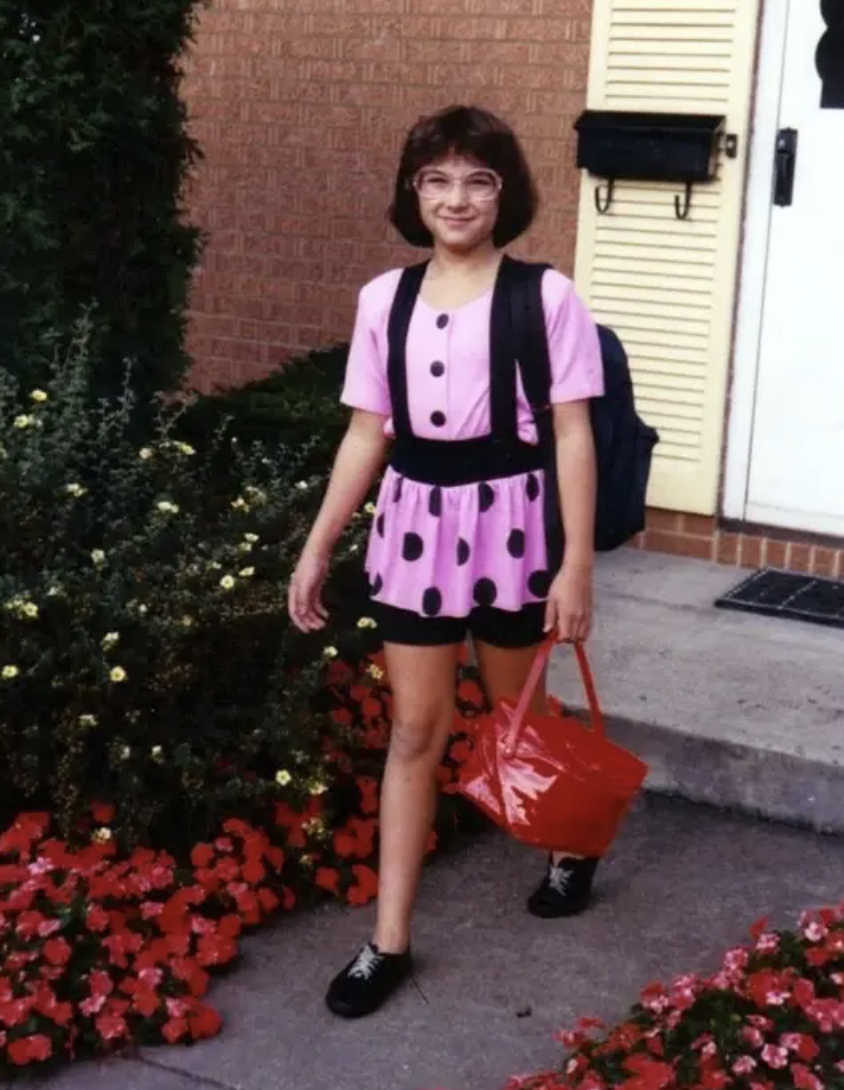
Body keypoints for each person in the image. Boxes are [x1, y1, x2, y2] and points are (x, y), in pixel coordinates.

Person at [288, 104, 604, 1020]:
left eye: (478, 180)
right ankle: (388, 940)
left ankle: (571, 842)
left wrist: (575, 564)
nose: (456, 198)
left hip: (512, 523)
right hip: (415, 527)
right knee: (416, 733)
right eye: (437, 179)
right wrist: (317, 548)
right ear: (413, 192)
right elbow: (364, 434)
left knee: (517, 714)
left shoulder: (544, 297)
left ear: (504, 194)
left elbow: (573, 434)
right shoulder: (383, 300)